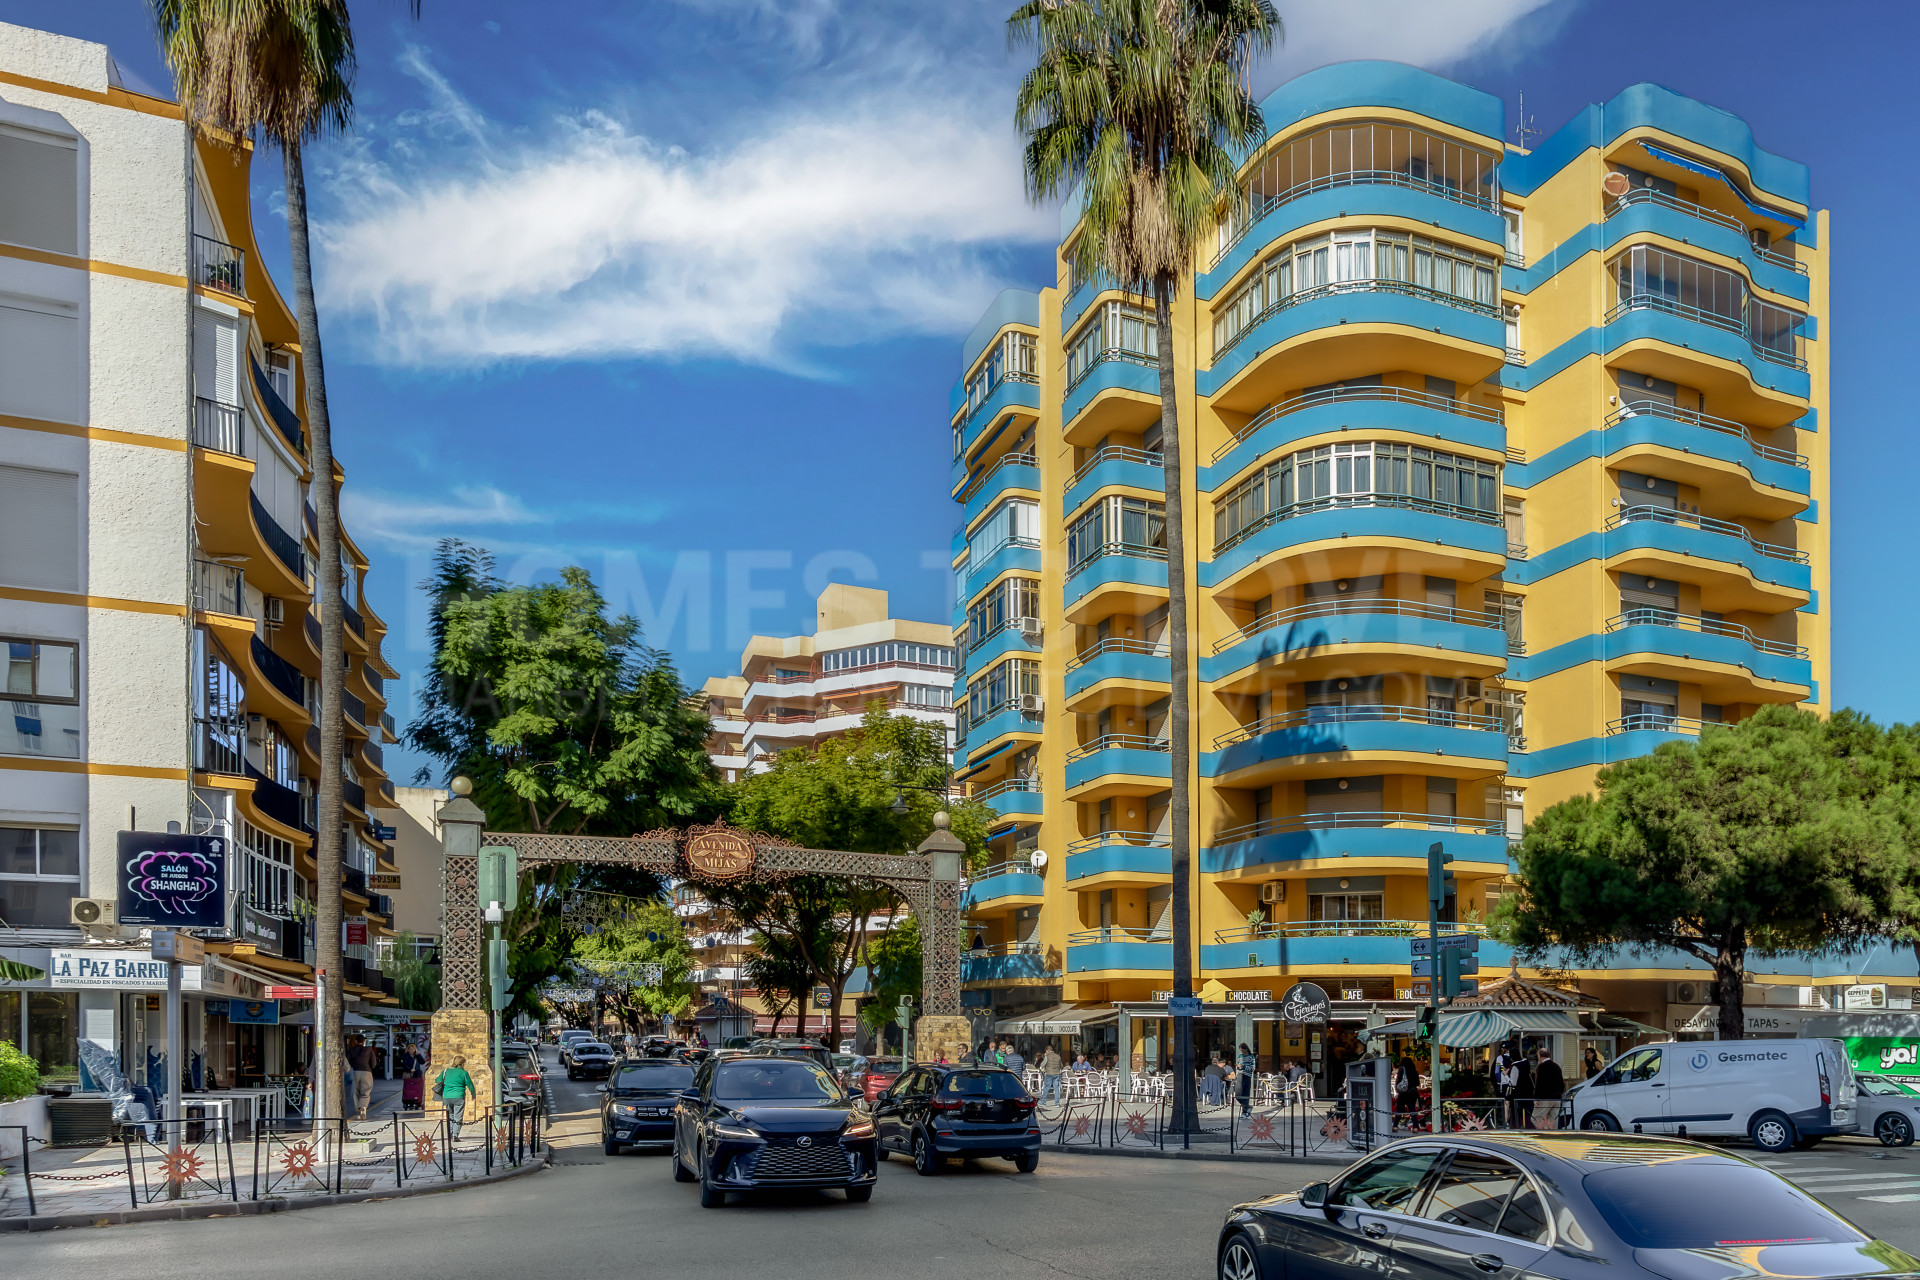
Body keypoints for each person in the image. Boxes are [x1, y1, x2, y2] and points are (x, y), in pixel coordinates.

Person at [436, 1055, 477, 1142]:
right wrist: (473, 1094)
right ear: (462, 1063)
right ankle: (455, 1135)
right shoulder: (464, 1073)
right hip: (459, 1096)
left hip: (447, 1096)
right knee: (458, 1116)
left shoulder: (446, 1071)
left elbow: (437, 1080)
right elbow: (470, 1085)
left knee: (450, 1115)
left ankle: (450, 1134)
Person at [1532, 1046, 1565, 1129]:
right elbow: (1562, 1084)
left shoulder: (1541, 1067)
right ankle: (1552, 1135)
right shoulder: (1557, 1066)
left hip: (1545, 1098)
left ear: (1540, 1056)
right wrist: (1559, 1093)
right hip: (1557, 1098)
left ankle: (1542, 1134)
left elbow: (1538, 1084)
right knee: (1551, 1120)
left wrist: (1536, 1098)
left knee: (1535, 1118)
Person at [346, 1035, 376, 1121]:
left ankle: (358, 1110)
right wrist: (370, 1069)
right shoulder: (369, 1050)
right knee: (366, 1092)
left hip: (355, 1072)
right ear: (364, 1042)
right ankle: (363, 1107)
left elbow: (347, 1062)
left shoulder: (351, 1050)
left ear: (356, 1041)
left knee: (355, 1093)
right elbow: (373, 1063)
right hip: (366, 1072)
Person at [1394, 1054, 1419, 1122]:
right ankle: (1415, 1125)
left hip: (1404, 1092)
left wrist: (1397, 1089)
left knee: (1399, 1109)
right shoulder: (1414, 1070)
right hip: (1413, 1092)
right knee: (1412, 1109)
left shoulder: (1402, 1069)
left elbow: (1398, 1080)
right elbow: (1417, 1082)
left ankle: (1395, 1124)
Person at [1236, 1042, 1257, 1117]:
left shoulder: (1251, 1057)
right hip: (1240, 1075)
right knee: (1238, 1094)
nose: (1242, 1052)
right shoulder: (1240, 1056)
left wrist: (1243, 1067)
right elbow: (1238, 1065)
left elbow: (1253, 1068)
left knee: (1245, 1094)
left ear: (1246, 1049)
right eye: (1241, 1050)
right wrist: (1238, 1067)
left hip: (1247, 1076)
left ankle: (1244, 1112)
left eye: (1243, 1050)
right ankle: (1247, 1107)